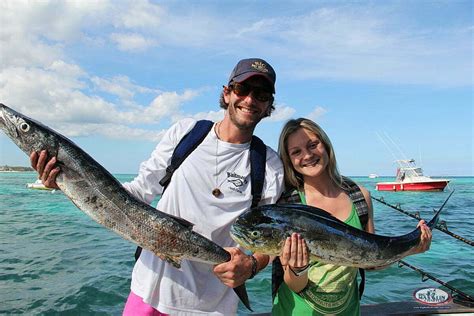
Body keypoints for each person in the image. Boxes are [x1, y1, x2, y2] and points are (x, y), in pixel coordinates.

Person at [30, 58, 285, 315]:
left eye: (261, 94)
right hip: (149, 291)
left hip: (212, 306)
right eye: (242, 89)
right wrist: (65, 181)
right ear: (227, 93)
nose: (250, 100)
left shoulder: (270, 165)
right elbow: (137, 193)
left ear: (268, 106)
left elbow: (273, 242)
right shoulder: (187, 133)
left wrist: (251, 266)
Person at [272, 118, 432, 315]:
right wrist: (298, 269)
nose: (307, 155)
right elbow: (294, 285)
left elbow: (371, 261)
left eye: (313, 145)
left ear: (326, 145)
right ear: (289, 160)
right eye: (296, 152)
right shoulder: (288, 206)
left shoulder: (359, 196)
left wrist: (412, 249)